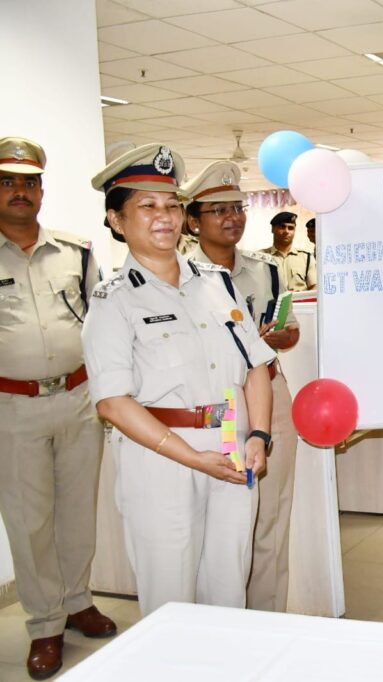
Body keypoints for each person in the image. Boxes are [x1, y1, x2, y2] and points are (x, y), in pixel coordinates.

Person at [82, 144, 275, 619]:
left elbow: (255, 365)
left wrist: (259, 435)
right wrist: (192, 458)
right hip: (161, 457)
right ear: (117, 220)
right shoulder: (112, 301)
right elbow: (112, 403)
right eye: (147, 206)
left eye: (171, 205)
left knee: (229, 584)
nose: (164, 217)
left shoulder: (217, 283)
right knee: (171, 594)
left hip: (230, 445)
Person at [0, 136, 114, 680]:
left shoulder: (77, 252)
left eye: (29, 182)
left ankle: (77, 601)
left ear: (42, 191)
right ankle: (45, 623)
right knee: (29, 521)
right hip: (12, 407)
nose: (20, 191)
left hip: (77, 398)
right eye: (7, 181)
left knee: (77, 511)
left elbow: (102, 323)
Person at [181, 161, 300, 613]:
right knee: (221, 522)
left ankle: (267, 616)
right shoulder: (179, 276)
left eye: (237, 207)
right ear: (193, 221)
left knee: (272, 515)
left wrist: (280, 336)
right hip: (216, 403)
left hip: (270, 391)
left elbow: (289, 331)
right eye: (218, 210)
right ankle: (221, 617)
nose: (232, 217)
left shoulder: (266, 270)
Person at [260, 211, 316, 292]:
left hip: (300, 300)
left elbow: (314, 287)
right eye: (282, 227)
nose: (286, 231)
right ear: (273, 229)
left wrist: (300, 296)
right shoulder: (260, 257)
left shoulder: (306, 257)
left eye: (290, 228)